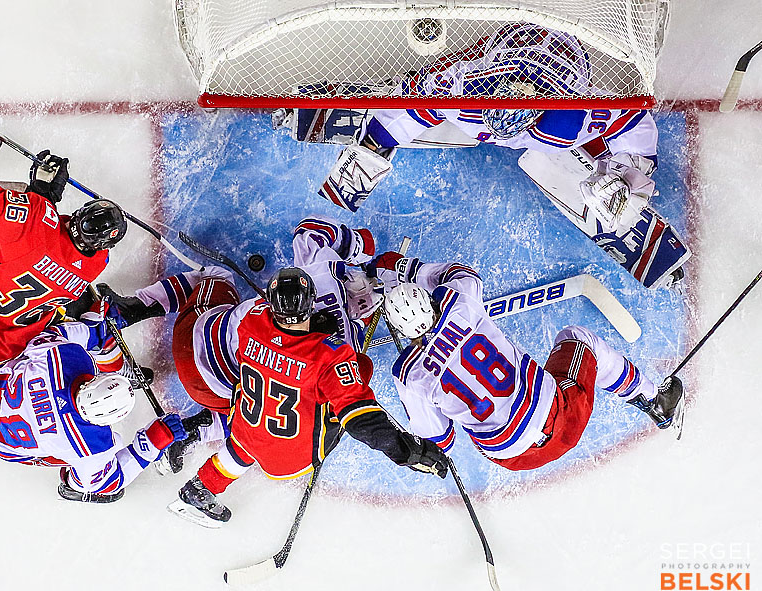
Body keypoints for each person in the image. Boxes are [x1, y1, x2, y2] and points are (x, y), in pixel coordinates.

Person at [310, 22, 689, 289]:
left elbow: (637, 123)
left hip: (562, 57)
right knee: (415, 96)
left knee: (599, 182)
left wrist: (626, 174)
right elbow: (409, 105)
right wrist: (372, 149)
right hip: (505, 48)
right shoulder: (460, 89)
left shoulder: (574, 116)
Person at [166, 267, 450, 528]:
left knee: (249, 437)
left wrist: (302, 338)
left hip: (245, 429)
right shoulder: (331, 355)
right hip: (295, 457)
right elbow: (361, 421)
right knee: (361, 367)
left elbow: (275, 337)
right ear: (311, 303)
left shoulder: (251, 321)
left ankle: (198, 489)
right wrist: (407, 451)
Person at [98, 216, 381, 471]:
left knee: (216, 275)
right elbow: (351, 380)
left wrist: (361, 246)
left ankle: (131, 309)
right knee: (256, 412)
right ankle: (191, 431)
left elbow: (308, 232)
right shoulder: (343, 348)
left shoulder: (314, 278)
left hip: (193, 342)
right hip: (215, 394)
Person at [368, 253, 684, 471]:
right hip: (561, 418)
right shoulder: (457, 300)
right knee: (577, 337)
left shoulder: (409, 375)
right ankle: (655, 400)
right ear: (431, 300)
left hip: (512, 458)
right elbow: (460, 273)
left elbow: (441, 441)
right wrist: (406, 268)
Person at [0, 103, 128, 365]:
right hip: (11, 345)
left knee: (0, 203)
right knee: (69, 299)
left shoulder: (35, 220)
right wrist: (44, 196)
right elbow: (47, 244)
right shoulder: (96, 264)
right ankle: (111, 358)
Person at [0, 311, 188, 503]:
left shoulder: (64, 358)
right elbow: (108, 483)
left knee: (39, 332)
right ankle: (74, 484)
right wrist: (156, 439)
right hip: (2, 441)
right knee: (86, 473)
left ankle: (99, 337)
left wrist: (93, 330)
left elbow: (52, 334)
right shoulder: (91, 445)